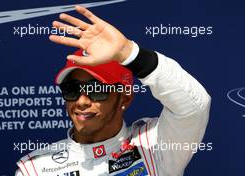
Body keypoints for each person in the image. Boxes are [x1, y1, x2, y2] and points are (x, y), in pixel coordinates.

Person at [15, 6, 211, 176]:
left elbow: (194, 107)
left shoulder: (154, 144)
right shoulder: (35, 168)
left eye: (96, 90)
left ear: (125, 98)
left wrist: (129, 52)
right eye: (72, 90)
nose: (82, 101)